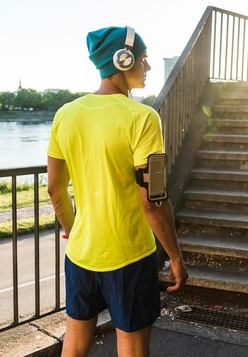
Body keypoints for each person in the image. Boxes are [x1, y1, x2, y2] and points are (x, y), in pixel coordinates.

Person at [47, 26, 188, 357]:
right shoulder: (142, 118)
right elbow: (153, 200)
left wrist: (72, 229)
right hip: (130, 256)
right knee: (132, 347)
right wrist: (175, 256)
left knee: (75, 341)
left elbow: (54, 188)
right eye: (144, 59)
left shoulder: (65, 115)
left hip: (80, 254)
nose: (148, 68)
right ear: (123, 60)